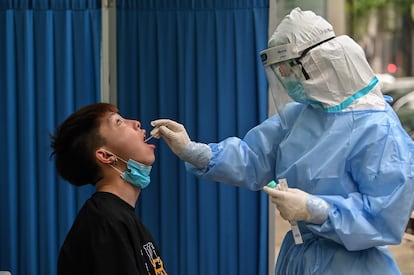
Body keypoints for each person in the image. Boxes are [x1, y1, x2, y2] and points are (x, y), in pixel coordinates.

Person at [149, 7, 414, 275]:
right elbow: (253, 157)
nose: (286, 79)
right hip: (299, 257)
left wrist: (316, 209)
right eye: (280, 71)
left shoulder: (379, 129)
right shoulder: (300, 115)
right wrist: (194, 150)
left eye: (288, 69)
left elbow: (386, 216)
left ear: (317, 63)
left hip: (353, 265)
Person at [50, 103, 168, 275]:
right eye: (119, 122)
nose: (136, 123)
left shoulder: (121, 219)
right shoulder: (104, 223)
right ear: (106, 156)